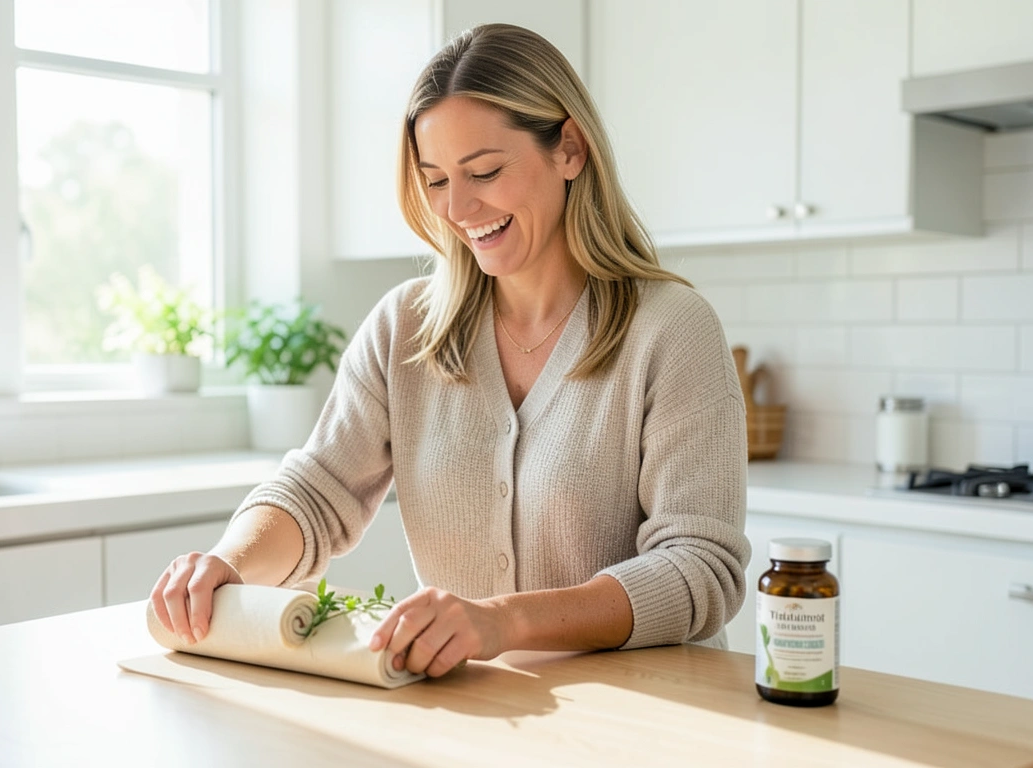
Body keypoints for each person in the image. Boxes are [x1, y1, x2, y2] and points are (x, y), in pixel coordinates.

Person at [151, 23, 750, 678]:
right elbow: (316, 491)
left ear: (570, 148)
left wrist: (502, 620)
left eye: (485, 171)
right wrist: (229, 563)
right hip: (471, 714)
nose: (458, 208)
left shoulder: (670, 329)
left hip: (650, 720)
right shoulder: (404, 328)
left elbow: (699, 568)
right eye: (435, 180)